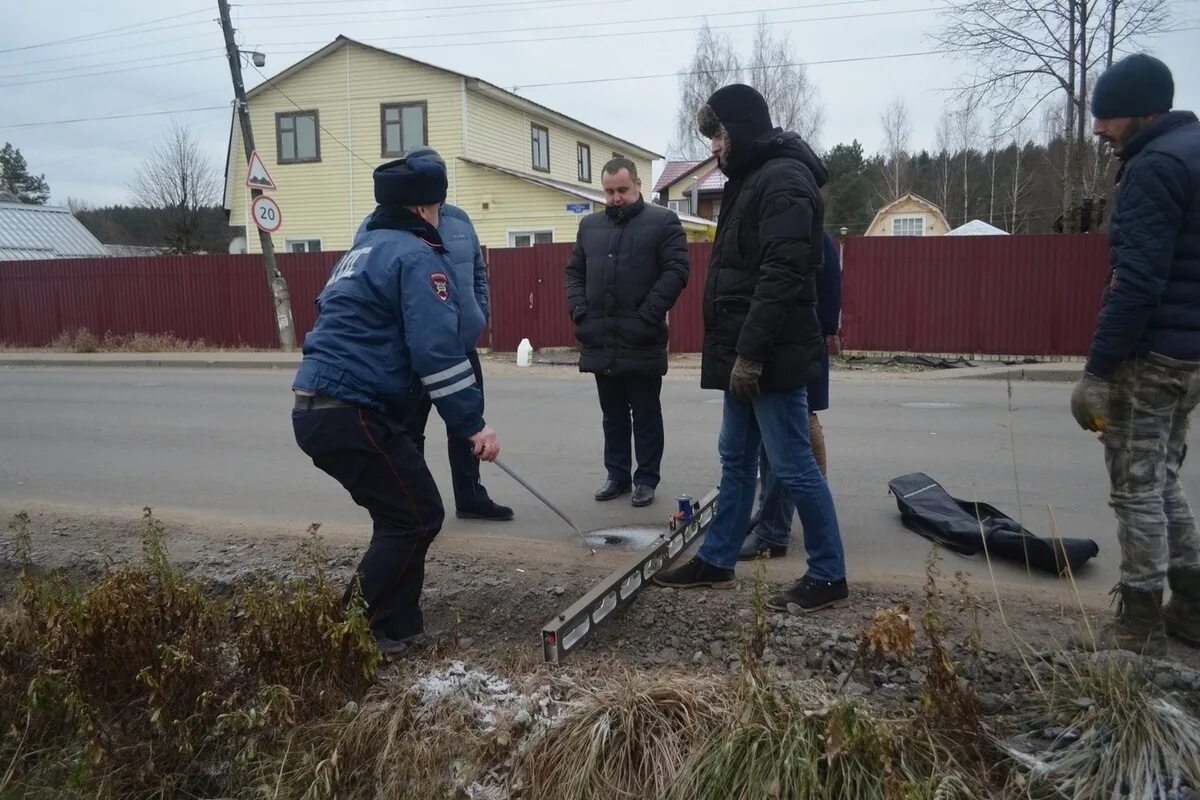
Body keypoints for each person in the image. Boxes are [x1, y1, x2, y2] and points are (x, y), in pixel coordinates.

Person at [292, 157, 500, 657]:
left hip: (321, 406)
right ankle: (343, 639)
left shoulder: (362, 250)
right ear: (430, 206)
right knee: (417, 516)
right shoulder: (416, 256)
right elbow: (437, 350)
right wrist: (472, 424)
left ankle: (398, 630)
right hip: (351, 410)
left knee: (402, 517)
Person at [652, 84, 849, 614]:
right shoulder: (750, 180)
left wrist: (753, 354)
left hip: (771, 354)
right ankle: (717, 561)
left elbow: (783, 276)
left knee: (792, 464)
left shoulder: (784, 178)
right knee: (735, 459)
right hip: (745, 351)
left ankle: (829, 574)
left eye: (717, 134)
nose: (714, 146)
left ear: (739, 128)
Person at [1070, 53, 1200, 655]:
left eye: (1108, 119)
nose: (1099, 130)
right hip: (1189, 353)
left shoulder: (1155, 166)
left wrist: (1098, 370)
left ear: (1145, 112)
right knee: (1162, 477)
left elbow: (1138, 280)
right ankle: (1192, 606)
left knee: (1136, 488)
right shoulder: (1191, 153)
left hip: (1151, 354)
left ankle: (1141, 622)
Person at [378, 145, 511, 522]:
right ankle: (411, 503)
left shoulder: (459, 220)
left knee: (467, 425)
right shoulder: (389, 227)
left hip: (460, 344)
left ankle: (470, 497)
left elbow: (479, 272)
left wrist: (478, 313)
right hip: (413, 354)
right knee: (408, 431)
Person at [565, 157, 689, 508]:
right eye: (608, 191)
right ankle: (616, 475)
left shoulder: (663, 221)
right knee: (612, 414)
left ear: (637, 185)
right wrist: (580, 310)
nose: (615, 197)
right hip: (601, 337)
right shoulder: (590, 226)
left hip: (642, 338)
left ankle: (646, 479)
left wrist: (648, 314)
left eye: (622, 190)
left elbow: (677, 269)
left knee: (646, 414)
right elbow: (574, 271)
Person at [739, 230, 842, 561]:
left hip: (796, 349)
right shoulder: (803, 235)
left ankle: (779, 527)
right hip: (793, 346)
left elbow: (824, 304)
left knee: (794, 437)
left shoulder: (810, 237)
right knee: (781, 440)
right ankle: (771, 516)